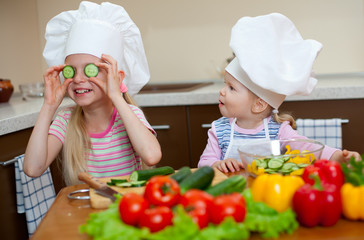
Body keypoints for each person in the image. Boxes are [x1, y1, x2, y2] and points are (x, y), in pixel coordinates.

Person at [198, 13, 361, 173]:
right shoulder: (219, 130)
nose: (222, 91)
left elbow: (308, 148)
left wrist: (338, 156)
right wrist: (216, 165)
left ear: (258, 104)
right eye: (225, 85)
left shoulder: (279, 131)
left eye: (231, 88)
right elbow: (204, 163)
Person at [23, 1, 162, 185]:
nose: (79, 79)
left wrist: (116, 96)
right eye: (70, 71)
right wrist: (49, 106)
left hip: (125, 206)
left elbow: (152, 156)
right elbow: (33, 169)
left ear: (117, 78)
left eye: (90, 70)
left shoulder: (128, 116)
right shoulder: (66, 120)